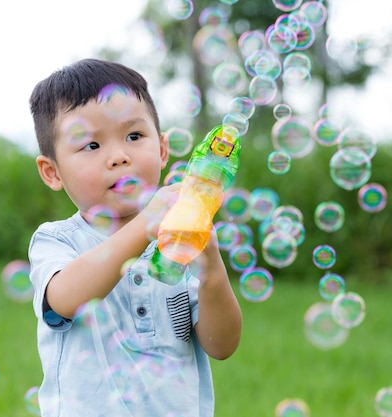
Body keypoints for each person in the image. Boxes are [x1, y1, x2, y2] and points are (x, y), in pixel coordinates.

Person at [28, 58, 242, 417]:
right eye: (91, 145)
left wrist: (212, 271)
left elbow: (221, 345)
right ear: (52, 172)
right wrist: (145, 224)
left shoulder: (180, 244)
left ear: (161, 150)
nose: (119, 156)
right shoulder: (58, 240)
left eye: (133, 136)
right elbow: (64, 300)